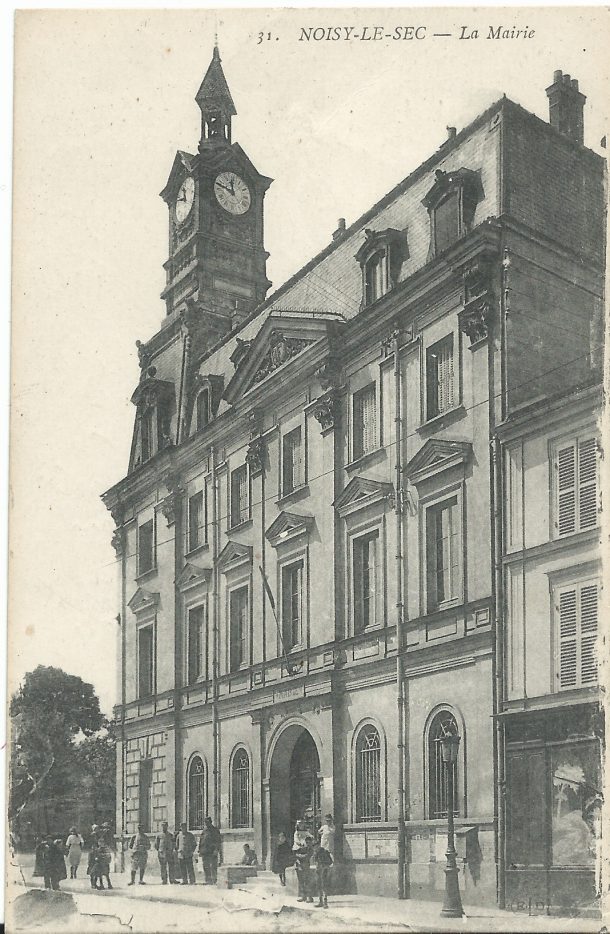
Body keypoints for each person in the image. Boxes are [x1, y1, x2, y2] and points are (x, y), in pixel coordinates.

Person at [292, 820, 314, 903]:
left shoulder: (306, 833)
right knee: (300, 879)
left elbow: (311, 838)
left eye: (302, 824)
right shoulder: (296, 833)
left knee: (307, 878)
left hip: (305, 861)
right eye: (299, 824)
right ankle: (303, 895)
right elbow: (296, 841)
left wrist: (307, 843)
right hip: (298, 858)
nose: (300, 826)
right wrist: (297, 855)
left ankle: (309, 896)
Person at [198, 816, 221, 885]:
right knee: (206, 866)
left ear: (210, 822)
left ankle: (214, 880)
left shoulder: (215, 830)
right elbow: (201, 841)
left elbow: (218, 841)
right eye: (205, 823)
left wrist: (216, 850)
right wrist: (200, 850)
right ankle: (208, 880)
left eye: (207, 822)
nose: (206, 824)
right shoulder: (204, 831)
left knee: (213, 866)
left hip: (212, 851)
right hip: (205, 851)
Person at [312, 840, 333, 909]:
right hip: (318, 871)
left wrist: (324, 866)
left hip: (324, 871)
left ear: (319, 845)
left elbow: (330, 862)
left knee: (324, 886)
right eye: (314, 847)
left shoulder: (324, 852)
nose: (315, 848)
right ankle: (320, 901)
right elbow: (315, 862)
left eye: (316, 846)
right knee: (318, 886)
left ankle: (325, 902)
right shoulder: (316, 853)